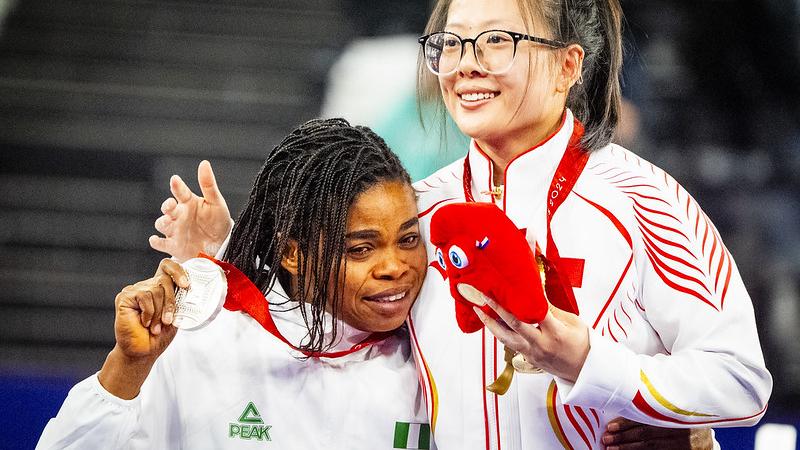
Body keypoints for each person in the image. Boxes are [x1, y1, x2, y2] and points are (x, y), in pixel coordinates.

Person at [148, 0, 772, 449]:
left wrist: (593, 365)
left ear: (566, 67)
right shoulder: (415, 214)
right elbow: (332, 335)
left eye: (497, 41)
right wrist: (225, 263)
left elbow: (741, 380)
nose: (465, 64)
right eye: (451, 43)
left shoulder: (642, 201)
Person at [37, 119, 431, 449]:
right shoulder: (202, 348)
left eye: (409, 239)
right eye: (361, 249)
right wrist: (128, 366)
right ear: (292, 254)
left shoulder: (431, 348)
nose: (395, 267)